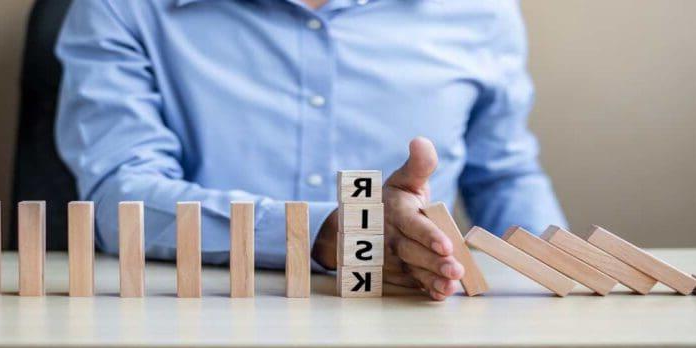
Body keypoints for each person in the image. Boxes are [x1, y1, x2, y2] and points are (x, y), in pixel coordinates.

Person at [55, 0, 566, 300]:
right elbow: (119, 199)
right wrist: (324, 233)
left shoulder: (483, 12)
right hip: (193, 335)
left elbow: (502, 174)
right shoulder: (120, 8)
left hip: (419, 329)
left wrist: (563, 288)